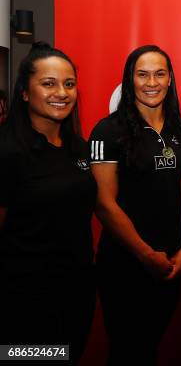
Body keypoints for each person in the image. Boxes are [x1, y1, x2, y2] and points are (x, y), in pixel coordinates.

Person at [89, 45, 181, 365]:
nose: (151, 82)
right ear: (130, 80)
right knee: (127, 350)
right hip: (125, 264)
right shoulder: (108, 131)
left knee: (150, 346)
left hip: (171, 264)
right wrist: (146, 255)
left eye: (159, 74)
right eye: (142, 74)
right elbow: (103, 203)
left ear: (170, 80)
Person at [0, 42, 96, 364]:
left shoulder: (78, 148)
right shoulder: (7, 151)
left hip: (77, 294)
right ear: (25, 92)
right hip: (26, 302)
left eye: (69, 84)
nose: (62, 92)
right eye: (48, 83)